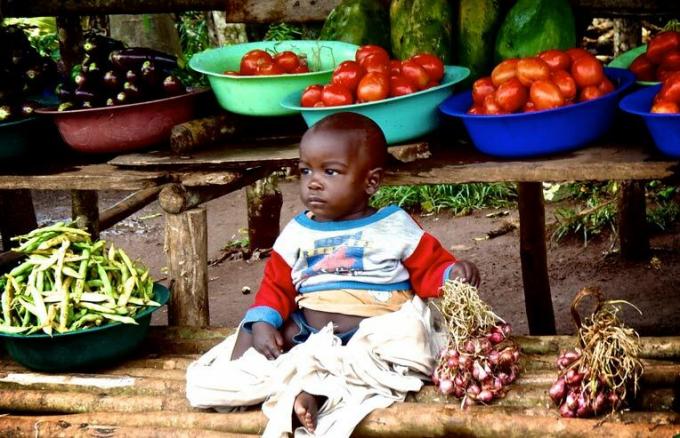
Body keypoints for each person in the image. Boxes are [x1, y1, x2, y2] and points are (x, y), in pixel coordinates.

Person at [230, 112, 480, 432]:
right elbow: (276, 286)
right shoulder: (297, 233)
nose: (314, 182)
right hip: (311, 332)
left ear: (370, 181)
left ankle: (313, 393)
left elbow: (430, 268)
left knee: (414, 335)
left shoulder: (393, 226)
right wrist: (264, 321)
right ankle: (288, 388)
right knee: (254, 335)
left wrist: (452, 275)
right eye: (306, 170)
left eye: (330, 171)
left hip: (376, 332)